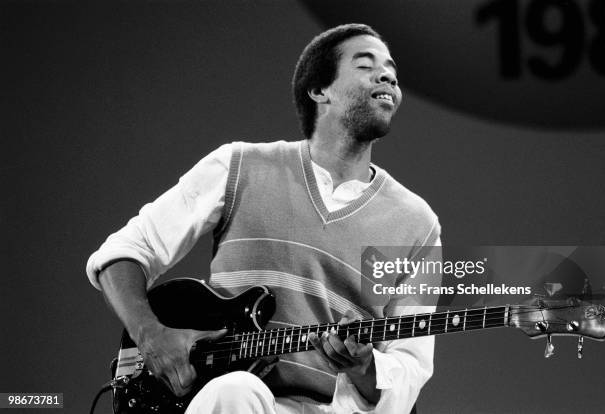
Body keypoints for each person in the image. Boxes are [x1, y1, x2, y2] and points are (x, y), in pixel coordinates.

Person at [87, 23, 441, 413]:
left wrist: (364, 367)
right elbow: (123, 252)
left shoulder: (417, 224)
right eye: (365, 64)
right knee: (238, 390)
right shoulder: (240, 166)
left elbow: (409, 367)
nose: (387, 74)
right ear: (319, 90)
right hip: (223, 399)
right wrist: (150, 336)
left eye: (391, 68)